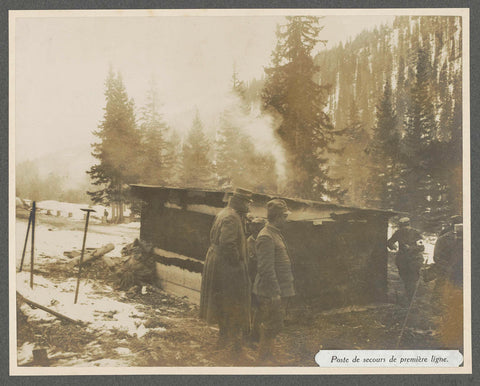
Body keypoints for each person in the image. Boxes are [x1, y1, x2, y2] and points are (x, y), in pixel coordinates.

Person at [199, 188, 253, 361]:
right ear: (239, 202)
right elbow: (227, 243)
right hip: (226, 266)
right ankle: (234, 346)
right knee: (232, 301)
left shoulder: (226, 213)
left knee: (224, 303)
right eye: (246, 203)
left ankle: (224, 340)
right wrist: (237, 262)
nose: (248, 206)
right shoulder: (231, 217)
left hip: (219, 262)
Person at [253, 199, 295, 364]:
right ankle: (262, 359)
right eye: (284, 216)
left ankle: (268, 354)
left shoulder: (275, 232)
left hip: (280, 289)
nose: (286, 220)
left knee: (275, 324)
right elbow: (266, 269)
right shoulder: (266, 236)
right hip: (271, 291)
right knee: (270, 324)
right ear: (278, 217)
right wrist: (275, 292)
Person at [431, 222, 463, 347]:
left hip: (455, 272)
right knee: (442, 293)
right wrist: (446, 268)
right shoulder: (445, 238)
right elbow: (437, 257)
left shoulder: (449, 237)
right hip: (448, 272)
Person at [387, 217, 425, 302]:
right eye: (403, 228)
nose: (405, 229)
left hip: (414, 260)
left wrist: (410, 248)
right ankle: (409, 297)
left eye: (406, 227)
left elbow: (421, 247)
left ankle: (411, 298)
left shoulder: (416, 233)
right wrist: (393, 246)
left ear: (409, 225)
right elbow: (389, 242)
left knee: (412, 280)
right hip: (402, 261)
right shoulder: (398, 233)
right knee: (405, 279)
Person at [246, 217, 266, 343]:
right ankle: (251, 331)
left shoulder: (263, 240)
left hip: (260, 275)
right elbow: (253, 258)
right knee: (253, 303)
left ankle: (256, 331)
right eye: (255, 227)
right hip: (252, 275)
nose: (256, 229)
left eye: (259, 227)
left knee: (260, 304)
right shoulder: (250, 241)